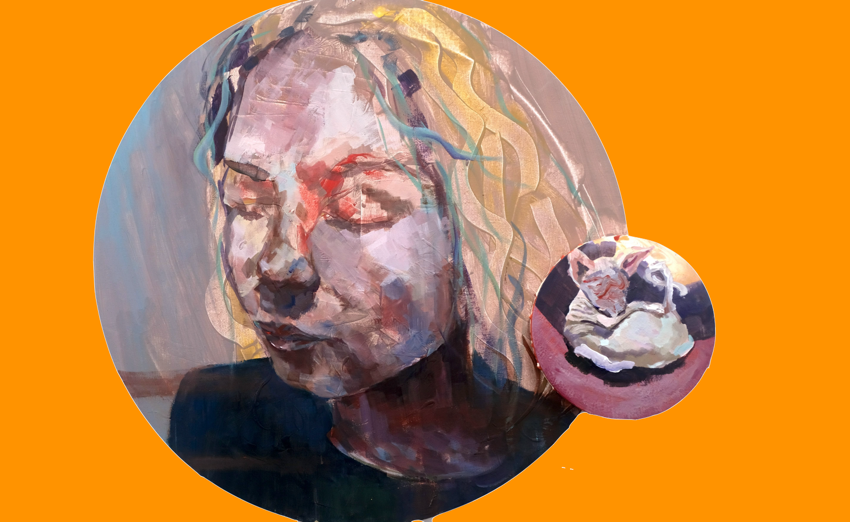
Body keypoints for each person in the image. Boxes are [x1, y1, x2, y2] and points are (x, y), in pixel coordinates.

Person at [168, 2, 625, 520]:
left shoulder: (570, 451)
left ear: (475, 222)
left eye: (361, 204)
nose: (280, 263)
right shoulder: (215, 423)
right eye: (249, 200)